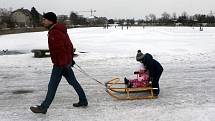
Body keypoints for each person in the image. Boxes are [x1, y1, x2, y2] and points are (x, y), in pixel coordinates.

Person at [30, 12, 88, 114]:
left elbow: (60, 49)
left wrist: (63, 63)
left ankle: (44, 107)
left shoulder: (55, 32)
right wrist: (69, 60)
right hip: (64, 63)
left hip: (60, 64)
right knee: (73, 82)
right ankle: (83, 100)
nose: (43, 21)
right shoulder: (59, 30)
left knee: (52, 85)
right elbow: (69, 46)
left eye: (44, 20)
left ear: (50, 20)